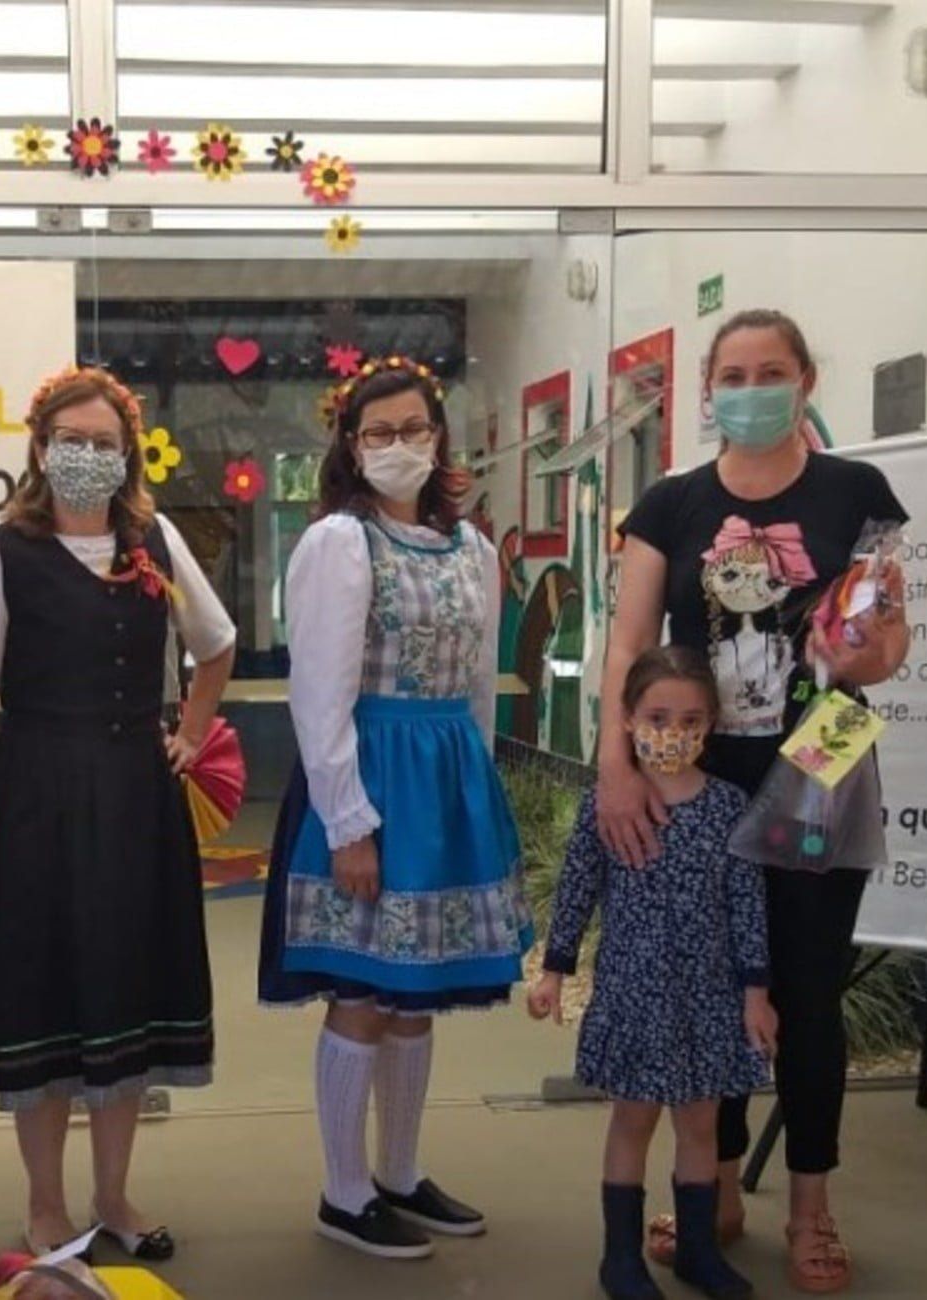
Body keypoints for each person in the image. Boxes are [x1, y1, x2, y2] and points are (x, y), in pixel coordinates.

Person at [596, 310, 909, 1294]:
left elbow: (890, 642)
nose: (751, 389)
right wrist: (615, 765)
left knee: (807, 995)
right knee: (712, 988)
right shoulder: (671, 503)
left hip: (820, 767)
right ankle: (716, 1191)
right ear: (707, 389)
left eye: (770, 371)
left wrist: (861, 653)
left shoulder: (857, 492)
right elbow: (627, 645)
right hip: (699, 780)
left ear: (805, 379)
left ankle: (812, 1207)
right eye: (731, 374)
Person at [0, 366, 236, 1262]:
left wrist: (191, 731)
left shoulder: (155, 539)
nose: (88, 456)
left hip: (136, 795)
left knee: (125, 991)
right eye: (71, 441)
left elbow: (216, 644)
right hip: (33, 795)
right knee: (43, 995)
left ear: (128, 452)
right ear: (39, 448)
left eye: (105, 443)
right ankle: (45, 1204)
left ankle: (112, 1195)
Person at [258, 356, 531, 1261]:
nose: (399, 445)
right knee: (365, 991)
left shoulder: (473, 549)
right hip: (375, 777)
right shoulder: (342, 542)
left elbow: (480, 685)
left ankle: (401, 1173)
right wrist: (348, 822)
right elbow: (318, 692)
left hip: (446, 779)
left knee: (417, 997)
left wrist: (477, 795)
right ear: (351, 444)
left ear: (439, 436)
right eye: (379, 432)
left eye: (414, 428)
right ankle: (344, 1193)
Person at [531, 645, 775, 1300]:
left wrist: (756, 993)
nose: (673, 733)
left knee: (699, 1124)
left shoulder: (728, 808)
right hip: (634, 994)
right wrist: (554, 971)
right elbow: (577, 890)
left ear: (712, 725)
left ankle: (698, 1249)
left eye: (691, 720)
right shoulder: (609, 805)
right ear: (629, 719)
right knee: (632, 1122)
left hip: (709, 998)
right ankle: (620, 1259)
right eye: (658, 718)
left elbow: (747, 905)